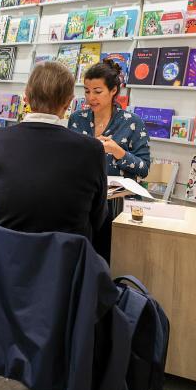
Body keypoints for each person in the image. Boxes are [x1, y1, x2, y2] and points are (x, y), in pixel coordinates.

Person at [0, 61, 108, 249]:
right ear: (68, 102)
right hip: (66, 260)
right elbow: (98, 218)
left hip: (5, 258)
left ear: (26, 96)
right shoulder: (92, 149)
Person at [68, 59, 151, 262]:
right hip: (83, 200)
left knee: (108, 258)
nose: (91, 98)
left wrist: (118, 152)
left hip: (117, 206)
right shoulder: (77, 119)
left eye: (97, 91)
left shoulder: (132, 123)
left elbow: (144, 168)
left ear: (113, 91)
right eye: (87, 91)